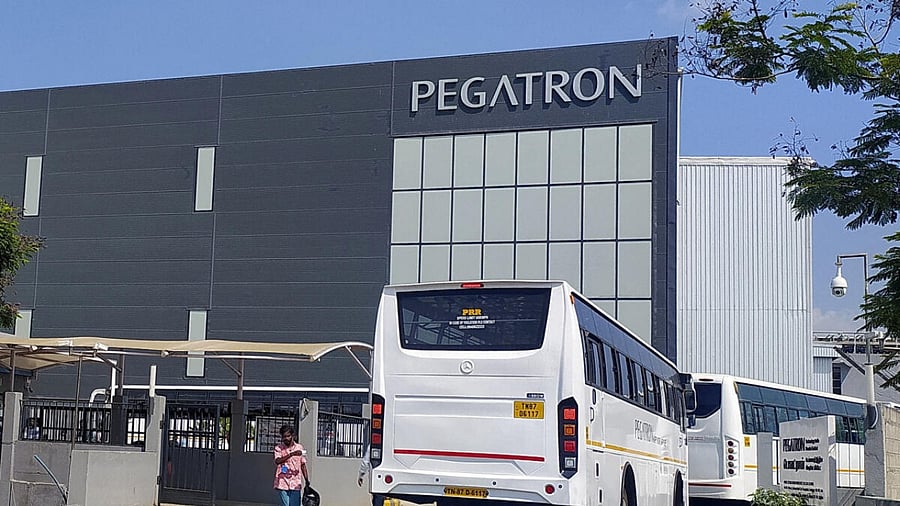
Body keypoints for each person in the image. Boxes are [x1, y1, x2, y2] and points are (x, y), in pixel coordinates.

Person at [273, 425, 310, 506]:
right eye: (284, 437)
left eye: (288, 436)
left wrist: (307, 479)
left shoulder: (299, 448)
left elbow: (303, 465)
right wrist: (292, 454)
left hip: (295, 483)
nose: (286, 438)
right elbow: (277, 461)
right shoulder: (278, 448)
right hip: (282, 482)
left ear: (293, 436)